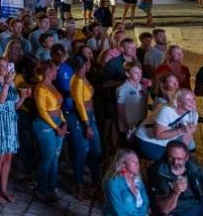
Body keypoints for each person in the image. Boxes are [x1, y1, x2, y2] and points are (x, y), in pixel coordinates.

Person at [0, 56, 29, 205]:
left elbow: (15, 105)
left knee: (9, 157)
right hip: (0, 121)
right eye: (2, 66)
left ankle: (4, 189)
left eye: (6, 65)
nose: (5, 68)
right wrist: (7, 83)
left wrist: (23, 97)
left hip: (11, 121)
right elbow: (0, 101)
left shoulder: (11, 82)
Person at [68, 54, 102, 201]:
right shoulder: (77, 80)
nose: (89, 65)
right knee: (82, 151)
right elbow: (80, 104)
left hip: (90, 116)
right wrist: (87, 124)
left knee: (96, 150)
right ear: (81, 66)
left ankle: (95, 184)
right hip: (81, 118)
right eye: (87, 63)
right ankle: (79, 185)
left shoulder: (83, 77)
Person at [32, 61, 67, 203]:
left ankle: (52, 188)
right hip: (45, 125)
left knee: (55, 158)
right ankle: (40, 189)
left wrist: (63, 122)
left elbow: (58, 107)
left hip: (57, 123)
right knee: (47, 158)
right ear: (49, 72)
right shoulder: (40, 89)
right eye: (55, 70)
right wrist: (57, 127)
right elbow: (43, 112)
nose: (57, 72)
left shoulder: (52, 86)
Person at [136, 89, 199, 161]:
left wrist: (183, 151)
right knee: (168, 160)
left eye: (193, 99)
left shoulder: (193, 114)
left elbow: (188, 134)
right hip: (148, 140)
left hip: (168, 141)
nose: (192, 102)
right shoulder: (167, 110)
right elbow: (158, 135)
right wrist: (180, 130)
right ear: (178, 101)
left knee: (180, 159)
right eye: (188, 99)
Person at [147, 140, 203, 215]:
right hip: (181, 211)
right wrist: (175, 192)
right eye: (171, 158)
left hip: (200, 203)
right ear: (167, 155)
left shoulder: (193, 167)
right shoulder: (158, 173)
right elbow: (164, 209)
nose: (175, 162)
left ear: (186, 157)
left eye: (179, 159)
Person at [102, 149, 149, 216]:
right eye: (133, 161)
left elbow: (144, 204)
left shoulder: (138, 181)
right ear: (123, 164)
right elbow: (118, 211)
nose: (137, 164)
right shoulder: (114, 182)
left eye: (138, 162)